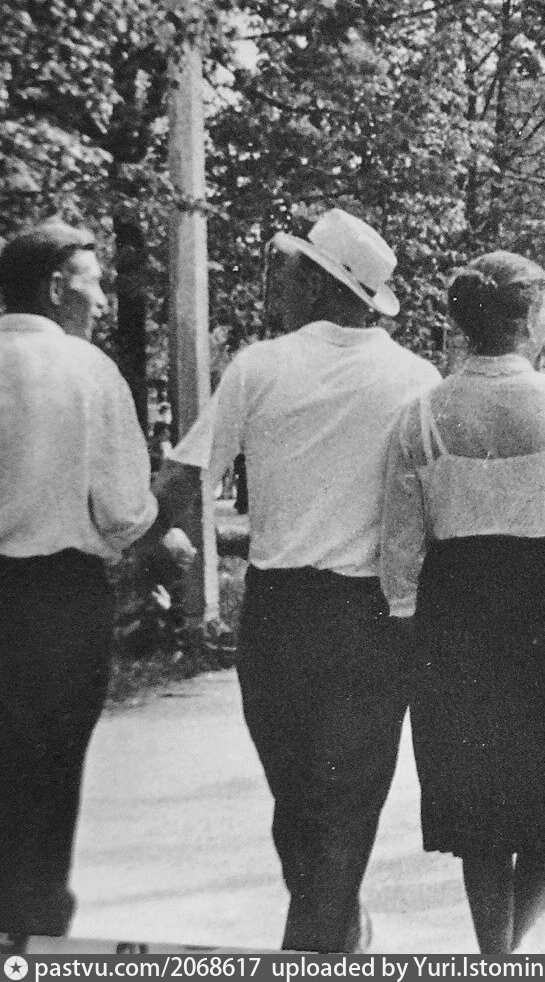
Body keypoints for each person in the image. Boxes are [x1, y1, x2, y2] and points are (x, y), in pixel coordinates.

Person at [156, 209, 440, 952]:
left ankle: (316, 946)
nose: (279, 284)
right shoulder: (417, 380)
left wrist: (136, 544)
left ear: (317, 283)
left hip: (279, 619)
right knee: (337, 809)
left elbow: (184, 477)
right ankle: (338, 931)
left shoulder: (260, 366)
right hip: (370, 622)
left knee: (301, 805)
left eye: (288, 271)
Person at [378, 252, 545, 954]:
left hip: (455, 616)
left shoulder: (420, 417)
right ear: (528, 320)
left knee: (481, 816)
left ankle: (494, 955)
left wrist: (408, 638)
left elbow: (399, 551)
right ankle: (506, 957)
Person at [0, 221, 191, 938]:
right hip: (57, 602)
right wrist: (159, 531)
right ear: (56, 288)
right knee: (48, 777)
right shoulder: (88, 371)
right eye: (95, 282)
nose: (106, 300)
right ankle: (30, 933)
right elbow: (121, 509)